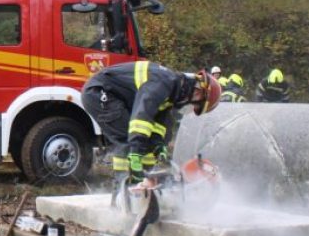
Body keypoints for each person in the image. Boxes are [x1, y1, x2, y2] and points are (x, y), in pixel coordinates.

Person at [81, 60, 221, 198]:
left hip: (116, 97)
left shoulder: (172, 92)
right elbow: (142, 116)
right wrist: (136, 153)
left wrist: (158, 144)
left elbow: (160, 124)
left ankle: (144, 188)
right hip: (99, 92)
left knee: (144, 148)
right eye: (196, 106)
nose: (191, 109)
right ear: (198, 93)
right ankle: (124, 192)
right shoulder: (162, 83)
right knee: (129, 142)